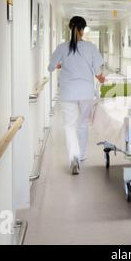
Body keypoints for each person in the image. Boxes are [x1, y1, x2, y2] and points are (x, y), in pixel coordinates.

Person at [48, 16, 106, 175]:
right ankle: (82, 155)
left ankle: (73, 156)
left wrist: (61, 64)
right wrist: (102, 78)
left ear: (70, 29)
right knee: (82, 124)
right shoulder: (90, 47)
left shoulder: (62, 47)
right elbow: (98, 72)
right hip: (86, 92)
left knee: (69, 125)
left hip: (68, 92)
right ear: (82, 30)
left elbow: (51, 67)